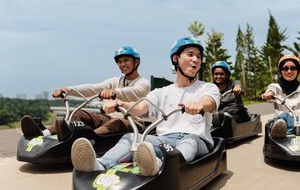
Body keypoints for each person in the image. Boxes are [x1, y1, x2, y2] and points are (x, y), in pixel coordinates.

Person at [70, 36, 220, 176]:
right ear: (176, 59)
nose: (195, 60)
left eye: (199, 57)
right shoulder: (161, 92)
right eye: (190, 54)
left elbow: (210, 102)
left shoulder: (207, 88)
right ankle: (99, 165)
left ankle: (161, 167)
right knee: (131, 137)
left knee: (190, 141)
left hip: (197, 140)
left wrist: (199, 104)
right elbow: (141, 107)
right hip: (165, 141)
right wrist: (121, 104)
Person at [20, 46, 151, 141]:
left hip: (132, 122)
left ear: (136, 62)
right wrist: (67, 89)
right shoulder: (114, 81)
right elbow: (93, 88)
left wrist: (114, 93)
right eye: (120, 62)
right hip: (109, 118)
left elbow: (132, 92)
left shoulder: (143, 83)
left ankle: (86, 141)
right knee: (78, 113)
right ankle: (43, 133)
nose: (123, 64)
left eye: (126, 60)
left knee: (114, 123)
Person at [211, 61, 250, 127]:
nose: (218, 76)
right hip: (221, 114)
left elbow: (237, 85)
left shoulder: (233, 83)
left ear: (227, 75)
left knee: (225, 119)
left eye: (221, 74)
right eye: (216, 74)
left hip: (237, 112)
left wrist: (237, 88)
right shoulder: (212, 87)